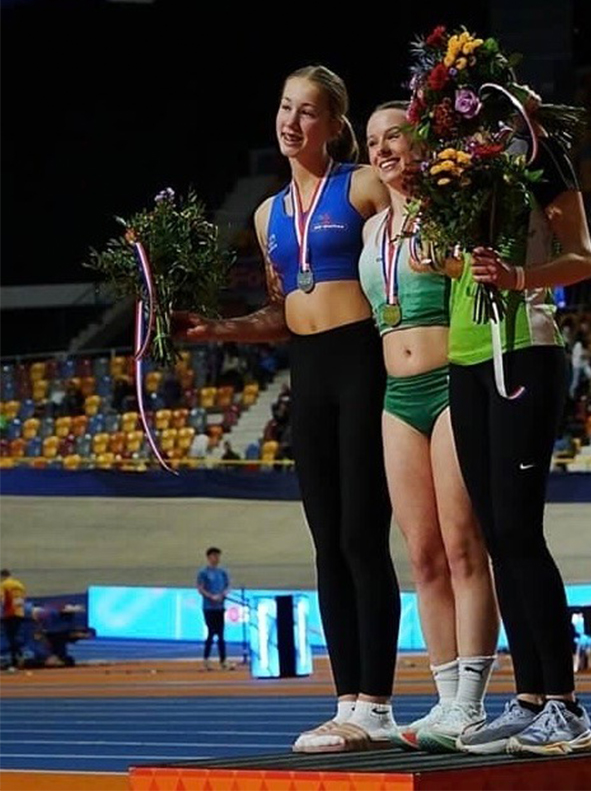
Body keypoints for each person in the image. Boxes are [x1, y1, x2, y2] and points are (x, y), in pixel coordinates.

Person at [172, 65, 399, 752]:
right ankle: (347, 701)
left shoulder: (363, 184)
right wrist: (217, 330)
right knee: (327, 542)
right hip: (308, 372)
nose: (290, 121)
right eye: (283, 107)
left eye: (307, 111)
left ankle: (379, 705)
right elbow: (280, 310)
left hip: (363, 362)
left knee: (363, 535)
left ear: (334, 125)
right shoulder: (268, 214)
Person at [446, 103, 591, 756]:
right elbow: (454, 269)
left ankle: (567, 707)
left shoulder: (538, 160)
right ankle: (530, 697)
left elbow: (583, 258)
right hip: (466, 359)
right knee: (494, 539)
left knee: (518, 531)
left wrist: (517, 278)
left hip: (526, 351)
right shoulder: (451, 178)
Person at [360, 102, 499, 753]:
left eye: (395, 136)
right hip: (396, 395)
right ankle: (444, 704)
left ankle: (471, 704)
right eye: (372, 142)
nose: (384, 149)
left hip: (450, 385)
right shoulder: (370, 234)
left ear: (421, 144)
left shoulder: (449, 212)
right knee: (420, 556)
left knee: (463, 545)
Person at [196, 547, 233, 671]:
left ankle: (223, 661)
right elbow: (200, 588)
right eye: (214, 556)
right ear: (209, 557)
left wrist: (222, 595)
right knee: (211, 633)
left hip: (220, 607)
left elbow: (228, 586)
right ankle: (206, 660)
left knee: (221, 635)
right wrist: (211, 596)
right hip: (209, 608)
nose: (216, 558)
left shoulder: (222, 572)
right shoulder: (203, 572)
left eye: (218, 556)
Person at [1, 568, 26, 671]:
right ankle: (19, 656)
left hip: (9, 613)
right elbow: (22, 600)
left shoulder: (3, 585)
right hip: (19, 613)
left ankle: (15, 661)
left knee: (11, 638)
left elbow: (2, 600)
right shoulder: (19, 584)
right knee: (15, 636)